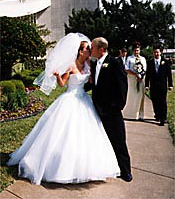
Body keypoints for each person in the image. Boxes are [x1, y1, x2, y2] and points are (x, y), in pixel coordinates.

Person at [7, 33, 120, 185]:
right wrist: (58, 76)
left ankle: (84, 167)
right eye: (88, 48)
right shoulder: (71, 65)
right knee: (63, 132)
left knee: (86, 134)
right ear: (81, 51)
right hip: (69, 99)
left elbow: (92, 82)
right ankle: (57, 166)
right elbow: (62, 84)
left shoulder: (89, 65)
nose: (90, 50)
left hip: (84, 101)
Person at [85, 37, 132, 182]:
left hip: (111, 111)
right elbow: (94, 84)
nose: (89, 50)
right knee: (103, 140)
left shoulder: (114, 62)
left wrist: (117, 106)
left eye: (92, 47)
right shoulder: (94, 64)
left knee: (118, 140)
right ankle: (110, 168)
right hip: (96, 109)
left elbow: (122, 86)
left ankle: (125, 171)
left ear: (100, 49)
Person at [145, 45, 173, 126]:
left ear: (160, 52)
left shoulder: (166, 62)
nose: (156, 53)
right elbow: (148, 75)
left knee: (162, 102)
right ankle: (157, 114)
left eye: (157, 52)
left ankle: (163, 118)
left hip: (162, 85)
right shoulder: (150, 63)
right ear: (153, 53)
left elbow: (169, 75)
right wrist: (147, 85)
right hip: (153, 85)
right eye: (155, 52)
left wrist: (170, 85)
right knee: (155, 101)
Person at [122, 42, 146, 120]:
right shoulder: (129, 58)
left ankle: (140, 115)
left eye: (138, 50)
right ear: (133, 50)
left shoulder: (143, 59)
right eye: (135, 50)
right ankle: (130, 114)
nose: (136, 52)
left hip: (141, 80)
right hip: (131, 80)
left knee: (140, 97)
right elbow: (126, 69)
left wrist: (140, 76)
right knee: (131, 97)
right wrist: (135, 74)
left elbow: (145, 69)